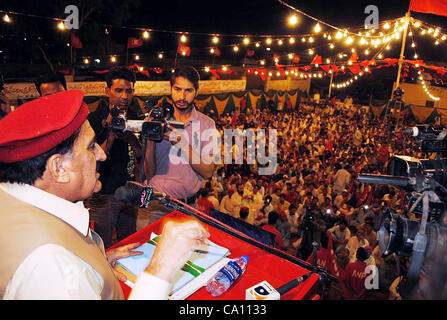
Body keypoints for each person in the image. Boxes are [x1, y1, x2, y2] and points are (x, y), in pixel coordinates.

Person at [0, 90, 210, 299]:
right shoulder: (53, 266)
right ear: (58, 168)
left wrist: (95, 263)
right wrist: (161, 268)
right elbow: (62, 275)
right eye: (91, 147)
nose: (101, 154)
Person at [85, 66, 144, 248]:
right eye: (119, 90)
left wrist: (133, 141)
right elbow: (91, 160)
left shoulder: (136, 117)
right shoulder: (94, 119)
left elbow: (141, 157)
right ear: (107, 91)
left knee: (130, 243)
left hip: (130, 191)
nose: (124, 96)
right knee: (102, 246)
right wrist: (110, 134)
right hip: (103, 195)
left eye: (129, 91)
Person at [143, 65, 216, 207]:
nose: (182, 96)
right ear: (170, 89)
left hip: (188, 206)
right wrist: (150, 138)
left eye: (188, 90)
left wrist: (182, 144)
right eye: (178, 89)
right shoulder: (157, 121)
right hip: (154, 204)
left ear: (197, 91)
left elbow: (208, 172)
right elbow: (149, 174)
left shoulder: (207, 124)